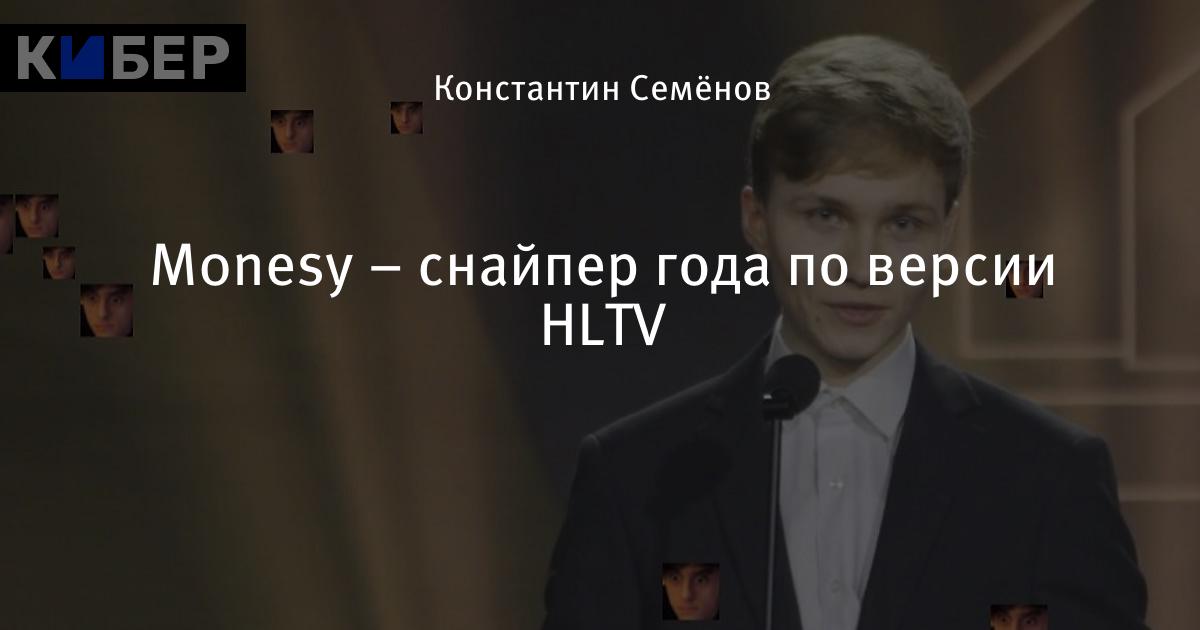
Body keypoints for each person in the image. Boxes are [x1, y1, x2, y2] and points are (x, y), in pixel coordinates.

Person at [542, 35, 1147, 630]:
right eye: (826, 216)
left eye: (903, 223)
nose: (863, 266)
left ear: (946, 232)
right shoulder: (634, 478)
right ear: (757, 219)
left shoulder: (1048, 479)